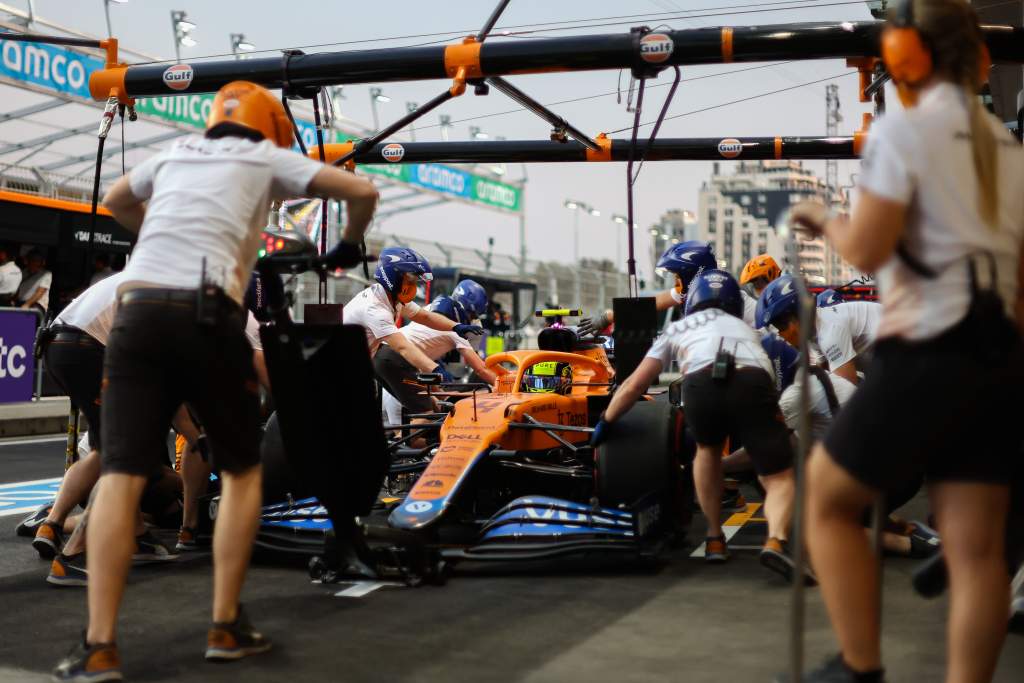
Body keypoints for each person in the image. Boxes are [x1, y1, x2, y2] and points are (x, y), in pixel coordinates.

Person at [52, 80, 379, 682]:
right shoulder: (263, 155)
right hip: (207, 312)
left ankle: (98, 645)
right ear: (271, 127)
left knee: (122, 469)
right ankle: (225, 625)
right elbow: (361, 187)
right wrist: (347, 247)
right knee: (240, 468)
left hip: (137, 310)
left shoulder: (175, 152)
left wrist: (159, 233)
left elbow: (118, 200)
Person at [785, 1, 1024, 679]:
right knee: (979, 553)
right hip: (999, 356)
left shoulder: (904, 132)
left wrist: (820, 220)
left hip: (927, 347)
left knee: (825, 503)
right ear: (980, 62)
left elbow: (866, 248)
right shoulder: (1012, 151)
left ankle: (860, 665)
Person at [591, 270, 806, 582]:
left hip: (700, 382)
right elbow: (783, 363)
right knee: (778, 475)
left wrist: (606, 420)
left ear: (692, 302)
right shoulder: (749, 328)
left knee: (707, 450)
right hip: (753, 379)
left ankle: (715, 538)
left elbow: (634, 385)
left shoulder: (679, 327)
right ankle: (776, 539)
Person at [346, 247, 483, 408]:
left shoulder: (392, 299)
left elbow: (425, 316)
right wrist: (435, 368)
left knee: (431, 407)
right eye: (409, 279)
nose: (413, 285)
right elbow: (403, 347)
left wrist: (456, 326)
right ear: (392, 276)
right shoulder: (375, 309)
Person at [379, 292, 502, 426]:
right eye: (473, 316)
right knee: (425, 419)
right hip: (399, 366)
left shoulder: (431, 308)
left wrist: (444, 395)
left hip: (390, 360)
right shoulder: (457, 328)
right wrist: (506, 386)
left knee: (433, 416)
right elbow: (481, 369)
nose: (474, 320)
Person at [757, 274, 881, 384]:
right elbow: (823, 374)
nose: (781, 335)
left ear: (798, 315)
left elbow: (847, 390)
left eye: (780, 327)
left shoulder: (830, 332)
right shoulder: (815, 331)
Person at [577, 241, 718, 336]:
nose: (676, 284)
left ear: (692, 275)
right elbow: (648, 305)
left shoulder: (721, 302)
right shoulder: (690, 292)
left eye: (677, 277)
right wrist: (607, 317)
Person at [738, 253, 783, 326]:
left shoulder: (786, 304)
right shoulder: (757, 309)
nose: (759, 290)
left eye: (760, 283)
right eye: (755, 285)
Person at [17, 248, 52, 315]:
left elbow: (40, 292)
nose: (35, 262)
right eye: (32, 260)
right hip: (21, 303)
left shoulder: (46, 274)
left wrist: (27, 304)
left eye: (37, 260)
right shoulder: (23, 272)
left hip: (36, 305)